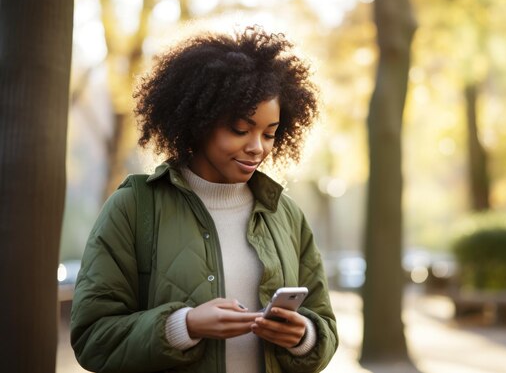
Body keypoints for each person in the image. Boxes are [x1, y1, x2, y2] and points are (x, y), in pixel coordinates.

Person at [70, 26, 338, 373]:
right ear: (199, 122)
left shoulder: (284, 214)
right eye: (240, 130)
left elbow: (326, 327)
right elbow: (93, 338)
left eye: (269, 133)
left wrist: (305, 336)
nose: (257, 147)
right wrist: (185, 325)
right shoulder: (134, 208)